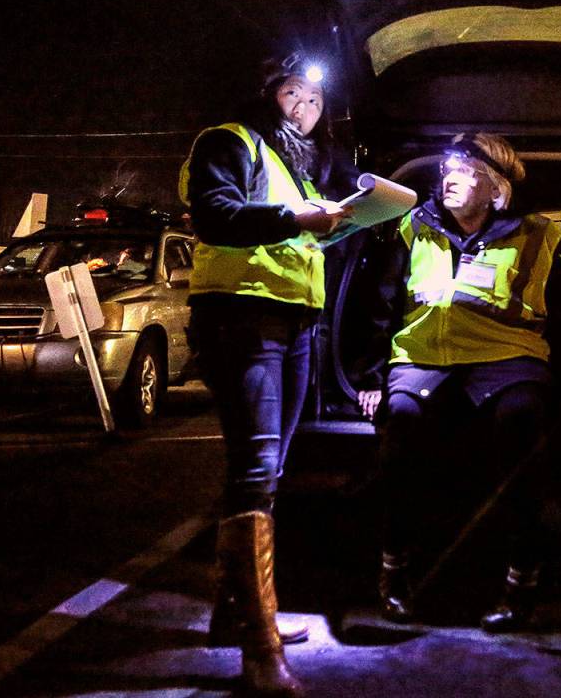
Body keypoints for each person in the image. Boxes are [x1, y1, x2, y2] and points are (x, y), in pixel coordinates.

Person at [356, 132, 561, 632]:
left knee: (524, 419)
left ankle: (520, 581)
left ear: (496, 189)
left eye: (463, 172)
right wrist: (372, 378)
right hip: (424, 355)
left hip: (509, 357)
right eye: (446, 171)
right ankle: (394, 573)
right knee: (398, 421)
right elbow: (379, 307)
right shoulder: (412, 228)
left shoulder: (538, 234)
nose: (448, 180)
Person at [180, 52, 356, 697]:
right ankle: (261, 650)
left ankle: (232, 615)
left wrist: (333, 223)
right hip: (241, 320)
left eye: (314, 102)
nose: (304, 110)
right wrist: (297, 219)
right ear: (265, 93)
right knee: (255, 468)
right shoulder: (229, 141)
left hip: (293, 322)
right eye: (292, 93)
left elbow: (298, 237)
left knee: (267, 470)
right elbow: (216, 216)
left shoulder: (298, 168)